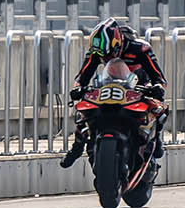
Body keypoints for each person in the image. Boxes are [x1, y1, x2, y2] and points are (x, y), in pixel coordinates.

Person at [60, 17, 168, 168]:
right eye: (103, 57)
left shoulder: (140, 49)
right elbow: (82, 76)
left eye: (109, 54)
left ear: (117, 43)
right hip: (108, 88)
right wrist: (77, 89)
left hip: (138, 88)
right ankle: (77, 147)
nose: (105, 58)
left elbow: (159, 78)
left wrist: (157, 87)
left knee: (159, 109)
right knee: (83, 111)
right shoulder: (97, 52)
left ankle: (156, 138)